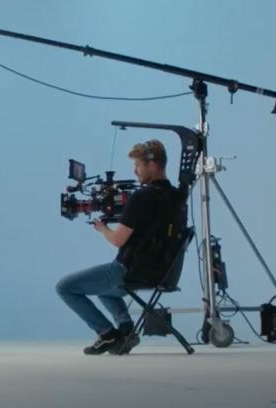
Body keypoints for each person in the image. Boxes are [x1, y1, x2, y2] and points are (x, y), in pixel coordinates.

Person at [56, 139, 184, 355]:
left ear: (152, 165)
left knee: (65, 287)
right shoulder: (176, 197)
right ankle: (126, 331)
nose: (135, 171)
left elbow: (118, 240)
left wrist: (102, 228)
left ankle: (106, 334)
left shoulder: (141, 197)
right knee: (106, 291)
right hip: (161, 272)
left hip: (129, 271)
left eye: (138, 166)